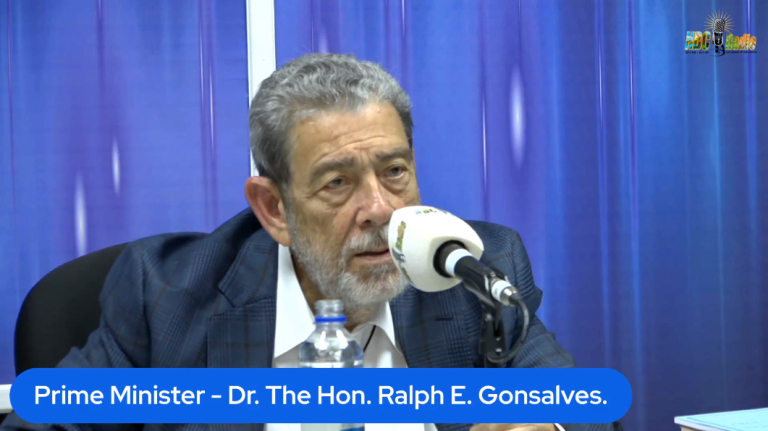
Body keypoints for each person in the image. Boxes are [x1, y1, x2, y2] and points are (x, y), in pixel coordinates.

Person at [1, 54, 621, 431]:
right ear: (274, 209)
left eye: (395, 171)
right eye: (337, 183)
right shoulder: (166, 293)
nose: (380, 209)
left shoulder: (470, 270)